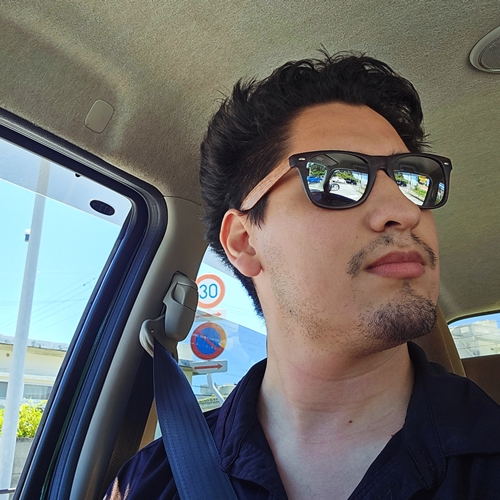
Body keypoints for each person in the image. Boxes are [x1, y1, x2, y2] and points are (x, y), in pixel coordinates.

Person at [105, 52, 500, 499]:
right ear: (244, 242)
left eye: (412, 178)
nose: (406, 211)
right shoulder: (148, 483)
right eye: (339, 178)